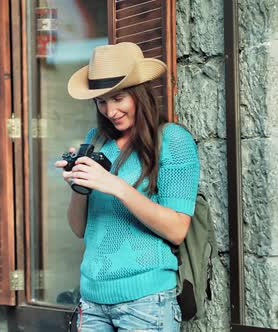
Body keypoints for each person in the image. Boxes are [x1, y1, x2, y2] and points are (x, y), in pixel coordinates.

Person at [55, 42, 200, 331]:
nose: (110, 111)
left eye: (119, 98)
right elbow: (80, 229)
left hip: (146, 302)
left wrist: (115, 185)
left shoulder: (173, 141)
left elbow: (177, 229)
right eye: (101, 101)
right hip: (92, 302)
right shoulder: (96, 140)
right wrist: (78, 186)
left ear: (140, 93)